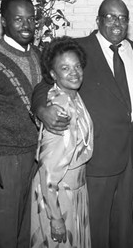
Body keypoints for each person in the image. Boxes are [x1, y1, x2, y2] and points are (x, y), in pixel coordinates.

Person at [32, 0, 133, 248]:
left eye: (122, 18)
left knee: (123, 226)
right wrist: (42, 109)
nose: (117, 22)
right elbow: (45, 83)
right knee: (95, 229)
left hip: (130, 157)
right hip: (97, 158)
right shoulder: (80, 48)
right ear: (98, 19)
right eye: (110, 16)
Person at [0, 0, 42, 248]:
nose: (26, 25)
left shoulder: (40, 55)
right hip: (5, 159)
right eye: (18, 19)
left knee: (28, 232)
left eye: (30, 19)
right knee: (2, 234)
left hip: (37, 157)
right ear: (4, 21)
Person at [31, 36, 93, 247]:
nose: (74, 72)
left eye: (77, 66)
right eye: (65, 68)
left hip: (75, 190)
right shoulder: (59, 107)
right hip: (58, 194)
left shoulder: (73, 95)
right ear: (53, 74)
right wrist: (56, 217)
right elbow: (48, 171)